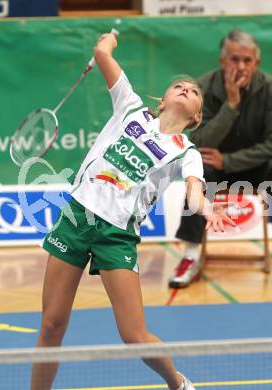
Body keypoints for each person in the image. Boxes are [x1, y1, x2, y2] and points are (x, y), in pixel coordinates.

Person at [31, 31, 235, 390]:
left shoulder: (186, 152)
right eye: (179, 86)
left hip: (116, 235)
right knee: (51, 325)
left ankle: (177, 382)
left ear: (197, 117)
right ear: (162, 101)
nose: (186, 88)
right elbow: (102, 52)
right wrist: (108, 41)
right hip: (77, 218)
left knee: (133, 334)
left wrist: (205, 210)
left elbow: (193, 190)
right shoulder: (130, 107)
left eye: (194, 91)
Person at [169, 29, 272, 289]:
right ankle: (190, 255)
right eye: (234, 59)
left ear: (256, 63)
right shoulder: (202, 89)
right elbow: (196, 142)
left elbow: (271, 145)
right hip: (213, 170)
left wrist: (228, 161)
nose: (240, 66)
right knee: (198, 171)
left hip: (256, 169)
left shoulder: (269, 89)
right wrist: (231, 105)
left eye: (246, 61)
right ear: (222, 61)